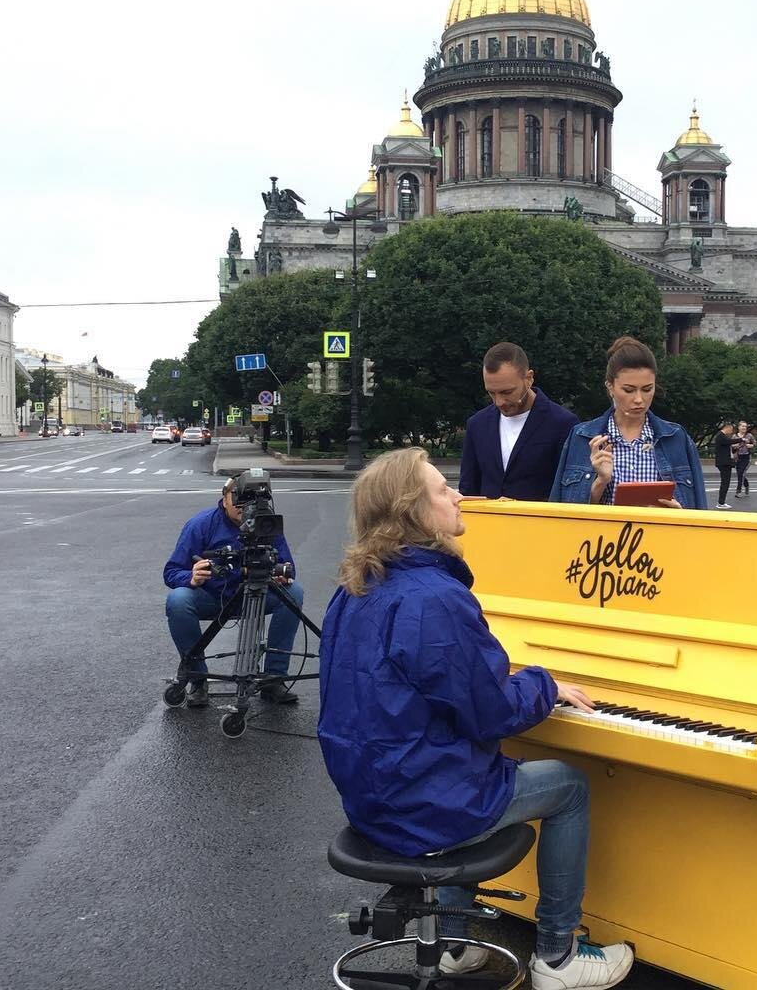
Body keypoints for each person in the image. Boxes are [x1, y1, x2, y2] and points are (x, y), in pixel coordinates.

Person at [318, 449, 635, 990]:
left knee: (474, 766)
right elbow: (491, 713)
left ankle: (457, 945)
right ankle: (557, 956)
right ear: (413, 510)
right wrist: (545, 683)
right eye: (443, 489)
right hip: (421, 802)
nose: (459, 495)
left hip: (372, 796)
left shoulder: (356, 587)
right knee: (569, 785)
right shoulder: (434, 598)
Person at [163, 475, 303, 706]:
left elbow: (288, 567)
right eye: (238, 498)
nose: (244, 506)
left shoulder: (267, 523)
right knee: (178, 600)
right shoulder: (201, 524)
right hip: (212, 596)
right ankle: (198, 678)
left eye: (252, 499)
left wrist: (282, 575)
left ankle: (274, 678)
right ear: (224, 499)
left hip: (257, 592)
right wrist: (192, 576)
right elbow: (171, 572)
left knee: (294, 592)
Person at [548, 336, 707, 509]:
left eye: (647, 389)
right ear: (610, 387)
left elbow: (699, 512)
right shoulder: (581, 437)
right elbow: (564, 515)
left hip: (660, 535)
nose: (639, 399)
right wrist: (600, 482)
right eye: (629, 390)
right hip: (602, 536)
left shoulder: (676, 438)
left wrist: (678, 513)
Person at [459, 342, 578, 501]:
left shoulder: (563, 423)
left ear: (529, 378)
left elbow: (567, 494)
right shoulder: (477, 424)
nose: (499, 402)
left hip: (539, 524)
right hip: (488, 525)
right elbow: (468, 491)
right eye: (491, 393)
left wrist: (518, 508)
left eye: (506, 392)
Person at [713, 420, 736, 509]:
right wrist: (742, 439)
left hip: (725, 463)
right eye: (731, 429)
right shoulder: (721, 436)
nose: (732, 431)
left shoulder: (722, 437)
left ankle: (721, 502)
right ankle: (720, 503)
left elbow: (728, 445)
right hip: (724, 463)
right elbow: (729, 441)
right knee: (725, 483)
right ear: (727, 428)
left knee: (725, 482)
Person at [733, 420, 756, 498]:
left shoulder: (749, 435)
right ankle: (746, 485)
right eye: (742, 426)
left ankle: (738, 491)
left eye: (745, 426)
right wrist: (735, 446)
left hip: (746, 457)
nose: (744, 428)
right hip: (738, 457)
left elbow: (755, 443)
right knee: (740, 474)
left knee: (741, 473)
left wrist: (751, 445)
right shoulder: (735, 436)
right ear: (739, 427)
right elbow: (731, 445)